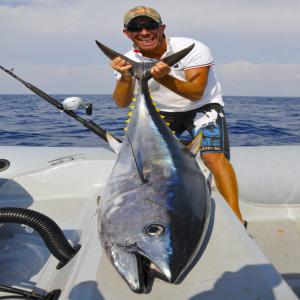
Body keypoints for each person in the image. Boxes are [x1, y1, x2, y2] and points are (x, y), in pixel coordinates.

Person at [111, 6, 243, 223]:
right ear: (126, 33)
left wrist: (163, 77)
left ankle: (238, 220)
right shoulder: (125, 60)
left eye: (150, 26)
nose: (144, 32)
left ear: (162, 27)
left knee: (212, 157)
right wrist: (126, 76)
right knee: (148, 165)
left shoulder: (192, 48)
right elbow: (122, 102)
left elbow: (195, 92)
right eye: (135, 28)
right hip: (161, 113)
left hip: (203, 107)